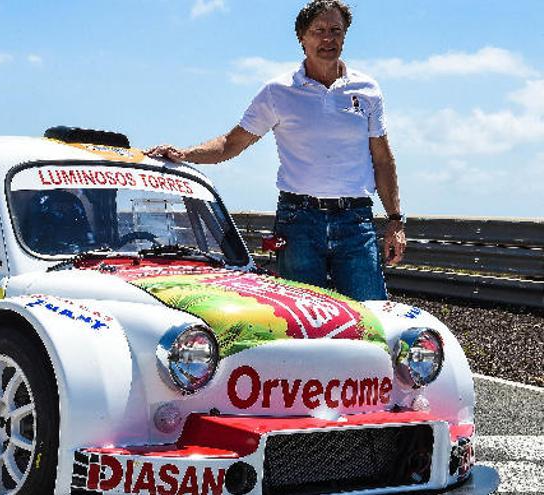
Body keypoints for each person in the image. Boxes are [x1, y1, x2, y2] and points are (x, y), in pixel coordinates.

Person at [145, 0, 406, 301]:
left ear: (345, 35)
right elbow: (232, 143)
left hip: (355, 221)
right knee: (303, 318)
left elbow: (383, 160)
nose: (328, 39)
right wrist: (185, 154)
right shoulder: (277, 92)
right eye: (318, 31)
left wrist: (395, 220)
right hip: (299, 223)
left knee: (371, 314)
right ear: (302, 38)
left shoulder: (367, 89)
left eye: (336, 30)